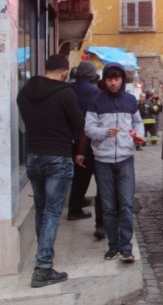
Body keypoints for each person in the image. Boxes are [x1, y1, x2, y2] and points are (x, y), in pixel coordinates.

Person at [17, 54, 84, 288]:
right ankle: (43, 267)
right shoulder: (65, 93)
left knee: (42, 209)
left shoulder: (25, 91)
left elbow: (25, 119)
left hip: (33, 156)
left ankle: (44, 259)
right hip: (57, 156)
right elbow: (79, 125)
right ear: (65, 71)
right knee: (52, 213)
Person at [85, 62, 144, 263]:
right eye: (109, 79)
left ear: (122, 80)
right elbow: (89, 128)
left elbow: (138, 122)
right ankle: (113, 246)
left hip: (126, 158)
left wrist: (138, 136)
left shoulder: (130, 101)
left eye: (116, 79)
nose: (113, 83)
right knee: (109, 206)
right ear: (104, 80)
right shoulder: (96, 101)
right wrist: (104, 132)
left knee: (126, 204)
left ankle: (126, 247)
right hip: (103, 160)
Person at [68, 61, 106, 240]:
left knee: (78, 174)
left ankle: (76, 202)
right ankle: (75, 208)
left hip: (71, 139)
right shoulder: (96, 93)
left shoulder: (68, 90)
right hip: (88, 140)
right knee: (87, 175)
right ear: (93, 76)